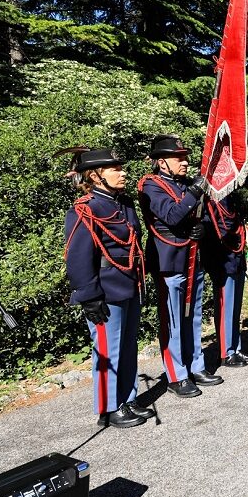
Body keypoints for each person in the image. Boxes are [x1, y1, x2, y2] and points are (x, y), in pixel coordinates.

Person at [62, 147, 153, 428]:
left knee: (126, 348)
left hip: (128, 285)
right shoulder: (84, 209)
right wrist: (89, 296)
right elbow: (78, 258)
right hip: (105, 290)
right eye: (115, 169)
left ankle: (127, 398)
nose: (123, 172)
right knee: (107, 351)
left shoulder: (123, 203)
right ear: (95, 175)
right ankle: (109, 407)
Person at [138, 134, 221, 397]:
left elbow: (204, 216)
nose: (184, 162)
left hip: (192, 258)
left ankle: (196, 365)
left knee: (193, 315)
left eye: (185, 158)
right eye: (178, 158)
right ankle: (176, 374)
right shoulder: (151, 186)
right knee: (173, 319)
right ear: (162, 162)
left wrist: (202, 229)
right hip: (169, 259)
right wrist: (195, 192)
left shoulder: (184, 184)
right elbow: (172, 216)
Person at [203, 191, 248, 368]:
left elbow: (236, 224)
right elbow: (215, 230)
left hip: (235, 256)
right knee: (226, 307)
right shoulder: (211, 199)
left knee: (235, 307)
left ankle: (236, 346)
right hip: (223, 259)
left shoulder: (228, 198)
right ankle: (226, 352)